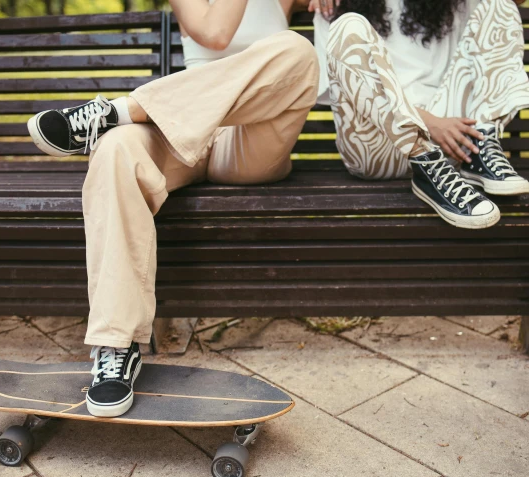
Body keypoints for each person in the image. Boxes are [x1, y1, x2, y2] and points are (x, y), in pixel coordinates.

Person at [27, 0, 319, 417]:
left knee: (298, 52)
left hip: (249, 144)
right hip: (184, 132)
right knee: (115, 149)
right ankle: (116, 345)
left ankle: (120, 110)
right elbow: (216, 34)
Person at [309, 0, 529, 229]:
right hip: (376, 146)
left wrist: (440, 125)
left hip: (452, 143)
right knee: (347, 24)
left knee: (500, 5)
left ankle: (481, 148)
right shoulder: (336, 4)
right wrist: (428, 124)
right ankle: (423, 156)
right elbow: (347, 94)